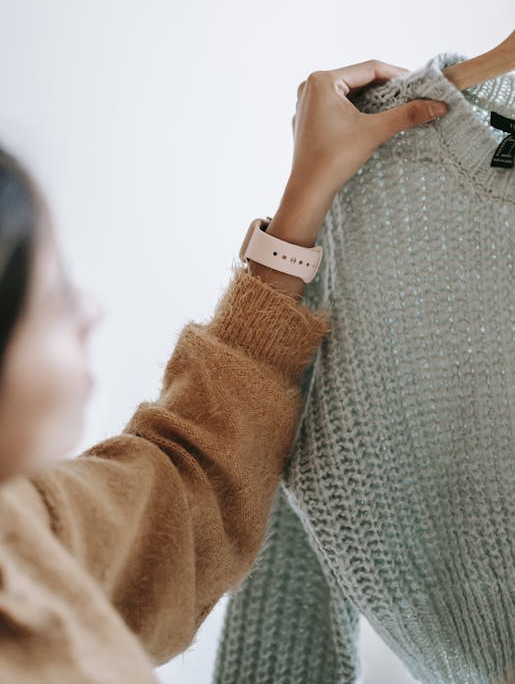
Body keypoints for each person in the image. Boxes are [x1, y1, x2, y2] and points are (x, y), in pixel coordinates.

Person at [0, 59, 449, 683]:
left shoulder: (23, 529)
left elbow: (186, 486)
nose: (89, 311)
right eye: (53, 299)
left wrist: (303, 203)